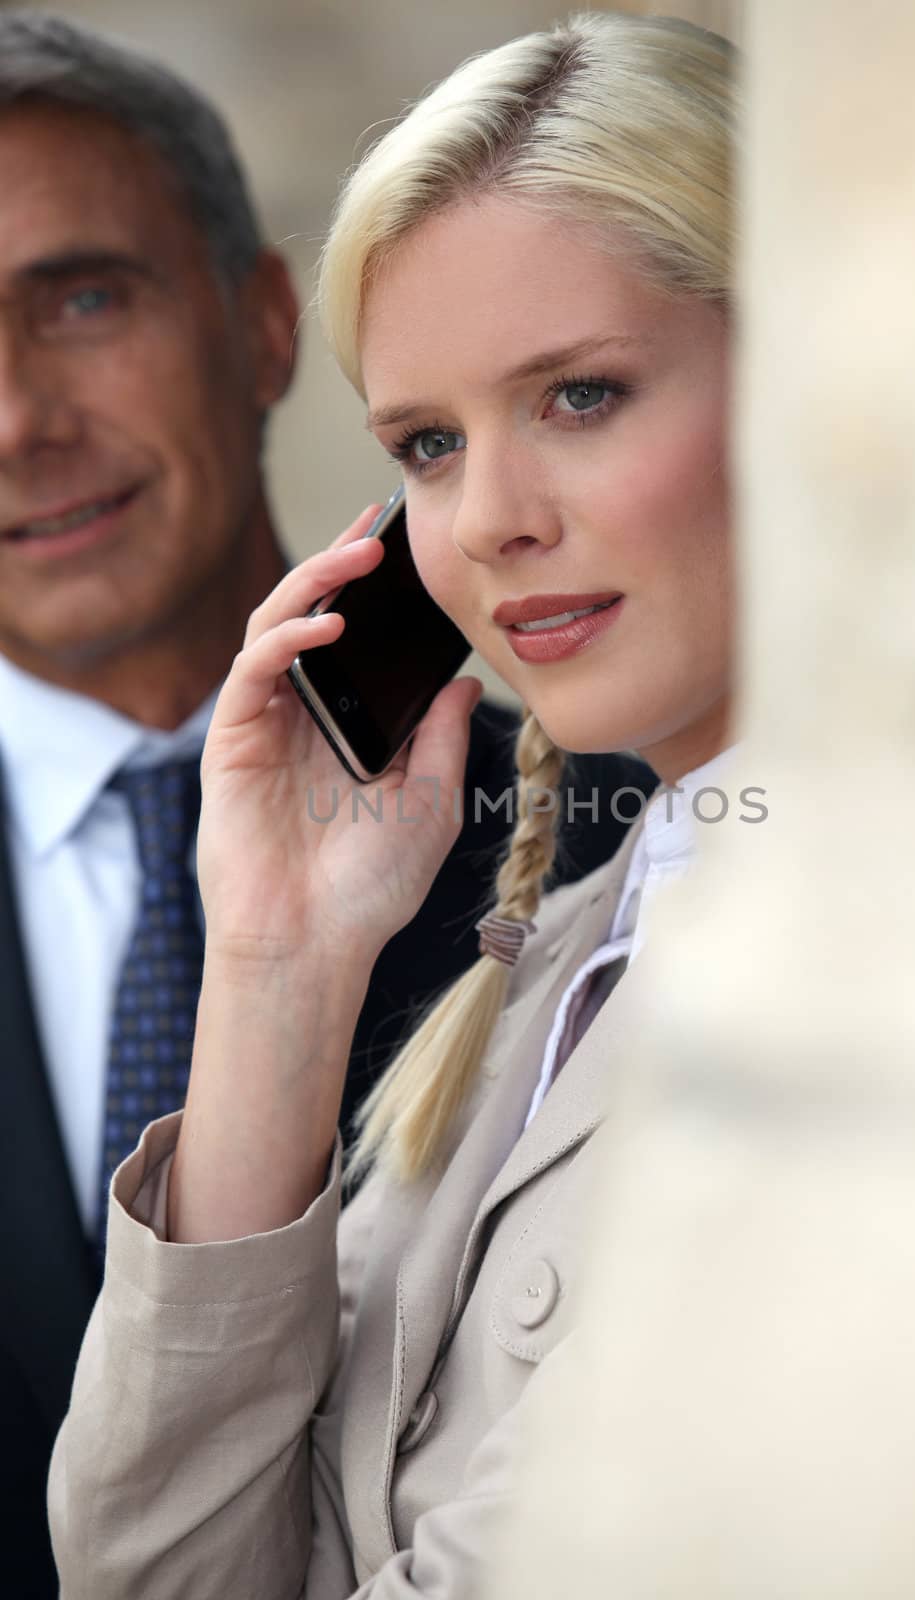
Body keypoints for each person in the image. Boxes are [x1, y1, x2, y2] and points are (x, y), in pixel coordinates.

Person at [48, 11, 738, 1597]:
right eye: (428, 443)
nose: (488, 520)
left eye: (579, 396)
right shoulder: (547, 965)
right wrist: (278, 966)